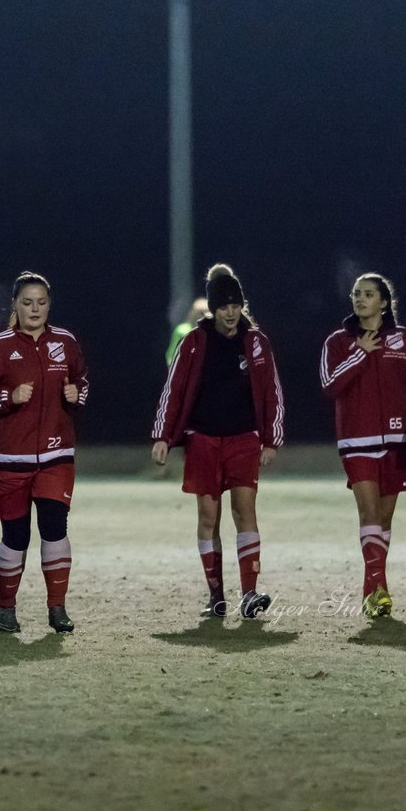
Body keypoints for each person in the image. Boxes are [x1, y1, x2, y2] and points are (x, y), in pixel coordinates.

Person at [152, 264, 285, 619]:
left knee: (245, 512)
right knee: (208, 516)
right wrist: (163, 436)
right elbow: (174, 390)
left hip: (243, 439)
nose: (230, 312)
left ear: (242, 305)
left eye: (235, 305)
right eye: (224, 306)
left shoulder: (256, 342)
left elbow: (272, 392)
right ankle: (216, 596)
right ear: (213, 307)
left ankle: (250, 594)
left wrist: (271, 439)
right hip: (204, 441)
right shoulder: (194, 342)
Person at [0, 271, 89, 634]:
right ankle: (6, 607)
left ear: (49, 305)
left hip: (56, 456)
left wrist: (76, 394)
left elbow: (81, 379)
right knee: (16, 536)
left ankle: (57, 608)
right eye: (27, 302)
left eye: (41, 302)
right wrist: (7, 397)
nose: (35, 309)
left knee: (55, 528)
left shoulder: (65, 342)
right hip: (8, 460)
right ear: (15, 306)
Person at [320, 273, 406, 619]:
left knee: (384, 521)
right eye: (356, 294)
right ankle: (380, 587)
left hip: (398, 442)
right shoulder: (339, 342)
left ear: (383, 303)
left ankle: (370, 591)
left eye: (368, 294)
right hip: (357, 442)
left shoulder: (404, 340)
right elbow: (330, 385)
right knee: (369, 514)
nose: (360, 299)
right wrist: (359, 353)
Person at [165, 296, 210, 366]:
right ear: (193, 313)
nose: (205, 315)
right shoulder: (182, 330)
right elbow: (171, 356)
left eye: (208, 311)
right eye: (201, 312)